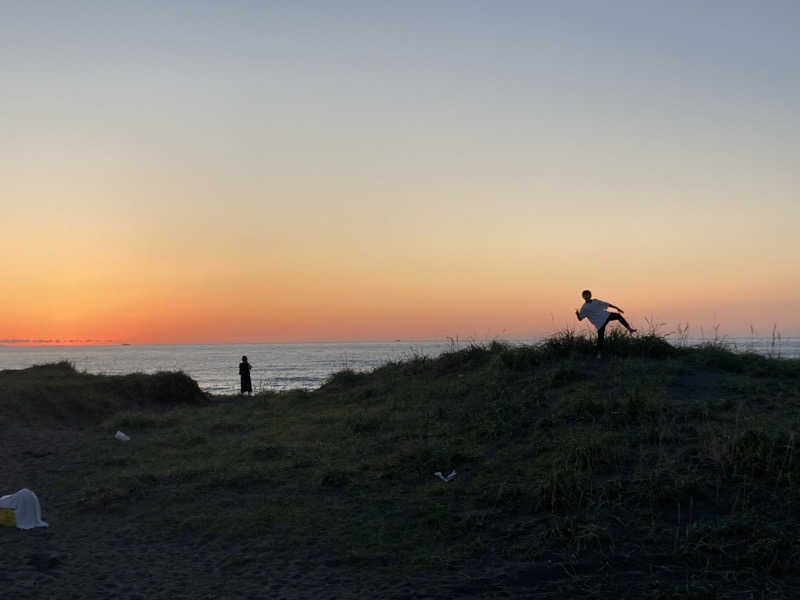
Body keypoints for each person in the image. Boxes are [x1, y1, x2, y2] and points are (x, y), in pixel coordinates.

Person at [576, 289, 636, 357]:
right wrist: (577, 314)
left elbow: (606, 304)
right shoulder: (584, 308)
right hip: (599, 323)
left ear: (590, 295)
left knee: (618, 315)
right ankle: (599, 353)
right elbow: (580, 319)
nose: (586, 296)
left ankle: (629, 329)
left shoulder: (595, 301)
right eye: (584, 295)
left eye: (587, 294)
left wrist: (616, 308)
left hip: (605, 316)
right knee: (600, 338)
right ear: (583, 297)